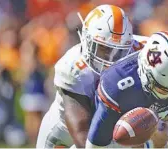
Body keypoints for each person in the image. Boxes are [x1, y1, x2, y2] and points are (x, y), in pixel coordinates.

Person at [36, 4, 148, 148]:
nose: (110, 59)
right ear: (86, 40)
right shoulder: (72, 68)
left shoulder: (143, 50)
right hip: (65, 135)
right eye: (103, 49)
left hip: (111, 128)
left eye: (117, 51)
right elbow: (82, 132)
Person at [85, 31, 168, 148]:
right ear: (146, 73)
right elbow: (95, 145)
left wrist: (162, 124)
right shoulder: (117, 85)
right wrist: (150, 144)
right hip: (107, 127)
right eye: (162, 89)